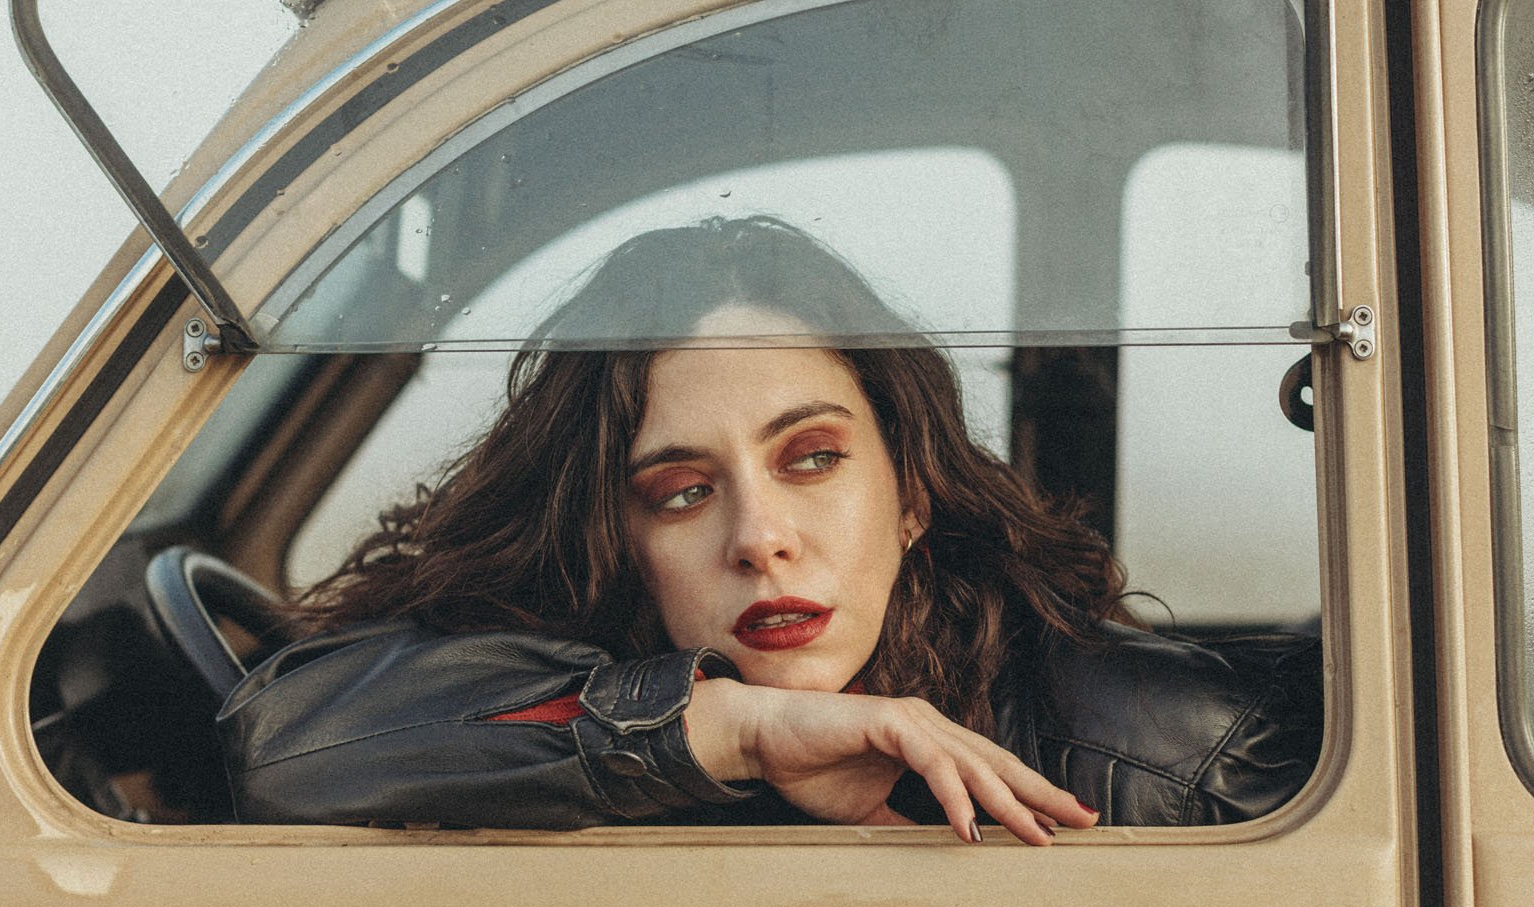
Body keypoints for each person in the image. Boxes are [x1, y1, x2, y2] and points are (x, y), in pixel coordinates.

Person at [218, 216, 1318, 840]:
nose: (760, 536)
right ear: (618, 538)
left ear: (914, 494)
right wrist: (737, 732)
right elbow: (287, 745)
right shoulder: (597, 684)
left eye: (814, 459)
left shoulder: (1167, 754)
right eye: (682, 491)